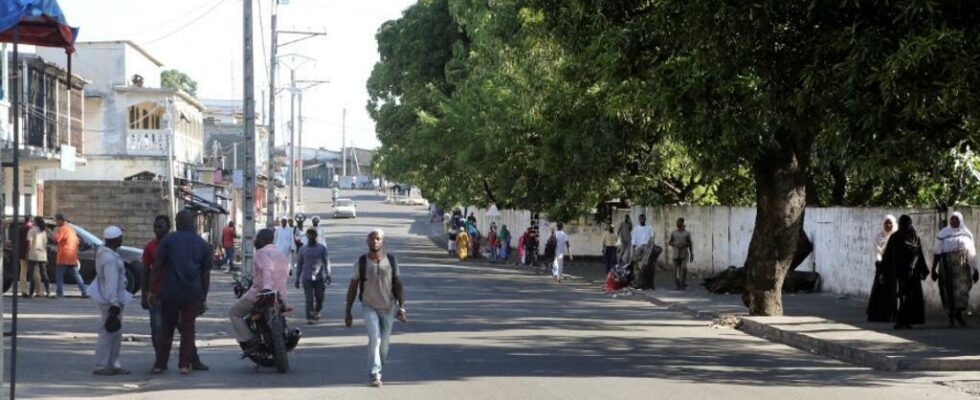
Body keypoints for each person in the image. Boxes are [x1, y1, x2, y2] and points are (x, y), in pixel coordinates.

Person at [149, 210, 212, 375]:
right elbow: (205, 275)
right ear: (193, 223)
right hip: (192, 294)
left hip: (169, 292)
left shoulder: (168, 240)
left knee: (166, 330)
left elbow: (157, 265)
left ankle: (160, 364)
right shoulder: (203, 245)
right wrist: (203, 297)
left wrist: (151, 290)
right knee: (188, 330)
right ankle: (184, 365)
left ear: (178, 222)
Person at [344, 229, 407, 388]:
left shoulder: (391, 261)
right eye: (372, 239)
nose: (375, 241)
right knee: (375, 339)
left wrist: (402, 307)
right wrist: (348, 311)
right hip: (369, 306)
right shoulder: (362, 262)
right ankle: (374, 374)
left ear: (383, 242)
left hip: (388, 307)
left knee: (384, 345)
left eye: (378, 239)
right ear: (367, 241)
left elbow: (398, 284)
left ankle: (377, 366)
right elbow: (353, 287)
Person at [230, 228, 289, 353]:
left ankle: (250, 341)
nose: (255, 241)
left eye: (256, 238)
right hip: (280, 297)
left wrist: (267, 288)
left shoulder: (262, 252)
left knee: (234, 312)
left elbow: (267, 269)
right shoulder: (281, 254)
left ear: (263, 240)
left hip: (260, 296)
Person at [91, 226, 131, 376]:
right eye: (120, 237)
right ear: (114, 240)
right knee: (108, 332)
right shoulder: (109, 259)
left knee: (115, 332)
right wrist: (114, 303)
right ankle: (101, 365)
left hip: (113, 298)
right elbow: (111, 282)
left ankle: (113, 363)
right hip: (111, 300)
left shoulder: (107, 254)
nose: (122, 240)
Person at [932, 212, 979, 328]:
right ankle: (951, 317)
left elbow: (971, 253)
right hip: (946, 268)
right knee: (948, 292)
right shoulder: (943, 234)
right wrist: (933, 269)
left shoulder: (966, 234)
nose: (953, 220)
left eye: (956, 218)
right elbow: (937, 252)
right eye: (951, 218)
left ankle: (958, 314)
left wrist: (975, 269)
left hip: (962, 269)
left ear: (961, 220)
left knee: (962, 291)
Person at [883, 215, 929, 330]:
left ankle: (907, 320)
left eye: (906, 223)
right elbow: (888, 255)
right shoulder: (894, 237)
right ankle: (900, 320)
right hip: (898, 272)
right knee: (900, 296)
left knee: (910, 297)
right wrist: (883, 271)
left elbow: (919, 255)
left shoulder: (915, 238)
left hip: (912, 273)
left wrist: (923, 270)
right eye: (902, 223)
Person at [296, 229, 331, 324]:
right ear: (307, 237)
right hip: (307, 278)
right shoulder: (302, 249)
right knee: (309, 298)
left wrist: (328, 274)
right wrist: (297, 279)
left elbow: (326, 262)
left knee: (320, 298)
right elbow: (299, 265)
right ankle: (310, 317)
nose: (311, 237)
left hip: (319, 278)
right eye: (309, 235)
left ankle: (316, 311)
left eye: (313, 235)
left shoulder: (322, 248)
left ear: (316, 236)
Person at [867, 215, 898, 322]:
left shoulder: (896, 237)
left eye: (890, 223)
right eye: (886, 223)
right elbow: (878, 252)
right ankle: (879, 314)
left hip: (894, 267)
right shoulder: (878, 237)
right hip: (881, 265)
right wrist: (881, 266)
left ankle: (893, 314)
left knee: (893, 291)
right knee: (880, 290)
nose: (888, 225)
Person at [54, 213, 87, 298]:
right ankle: (84, 291)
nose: (56, 222)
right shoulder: (72, 229)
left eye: (56, 220)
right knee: (76, 275)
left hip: (63, 256)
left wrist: (54, 232)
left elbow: (57, 239)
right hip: (72, 256)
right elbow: (78, 241)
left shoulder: (61, 229)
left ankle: (59, 293)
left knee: (59, 276)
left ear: (61, 220)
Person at [26, 216, 52, 298]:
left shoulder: (31, 231)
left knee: (32, 274)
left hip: (33, 254)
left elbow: (29, 243)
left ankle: (31, 293)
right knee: (44, 273)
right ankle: (48, 292)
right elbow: (45, 244)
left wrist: (27, 253)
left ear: (35, 222)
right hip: (43, 254)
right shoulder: (43, 232)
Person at [669, 218, 694, 290]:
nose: (677, 224)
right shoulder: (674, 232)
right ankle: (677, 285)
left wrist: (691, 254)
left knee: (683, 269)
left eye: (679, 222)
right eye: (677, 222)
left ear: (682, 223)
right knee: (675, 271)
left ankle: (682, 284)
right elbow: (670, 242)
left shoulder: (687, 233)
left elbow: (690, 244)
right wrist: (675, 244)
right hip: (676, 254)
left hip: (684, 254)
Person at [15, 215, 33, 298]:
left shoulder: (21, 228)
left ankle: (23, 290)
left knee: (23, 271)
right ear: (31, 220)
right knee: (35, 271)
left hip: (22, 251)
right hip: (30, 252)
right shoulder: (31, 228)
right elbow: (29, 242)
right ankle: (36, 290)